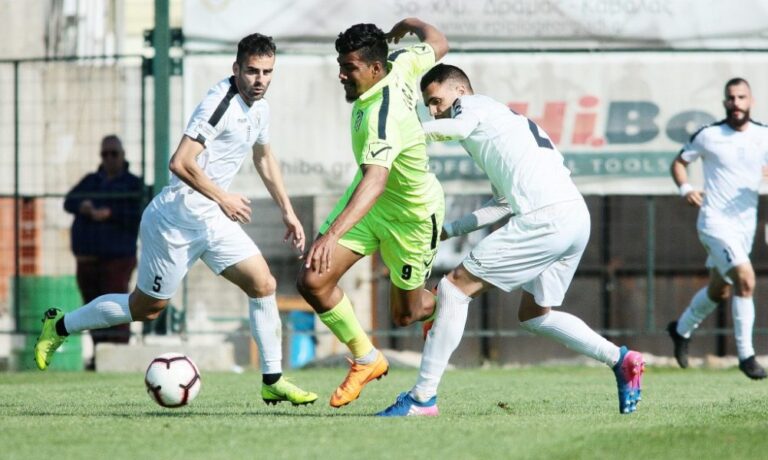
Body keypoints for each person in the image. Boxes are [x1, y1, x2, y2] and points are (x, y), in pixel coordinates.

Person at [36, 33, 318, 405]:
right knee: (145, 309)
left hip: (213, 220)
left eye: (267, 72)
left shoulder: (260, 108)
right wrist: (224, 198)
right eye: (252, 71)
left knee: (263, 284)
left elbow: (263, 157)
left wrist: (287, 210)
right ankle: (58, 326)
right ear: (236, 69)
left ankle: (272, 379)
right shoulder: (218, 105)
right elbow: (179, 162)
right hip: (175, 220)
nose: (260, 79)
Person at [377, 64, 645, 417]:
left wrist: (404, 134)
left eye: (436, 100)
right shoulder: (499, 121)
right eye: (428, 106)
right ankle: (621, 359)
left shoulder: (471, 107)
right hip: (574, 217)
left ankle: (423, 398)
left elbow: (455, 126)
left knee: (454, 290)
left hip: (546, 218)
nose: (433, 110)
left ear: (459, 91)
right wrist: (449, 230)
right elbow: (502, 204)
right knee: (535, 315)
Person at [296, 17, 448, 408]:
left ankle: (448, 299)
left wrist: (330, 235)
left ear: (375, 68)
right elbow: (438, 42)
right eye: (341, 66)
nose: (342, 75)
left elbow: (376, 180)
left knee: (406, 315)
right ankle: (367, 359)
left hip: (411, 218)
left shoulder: (382, 117)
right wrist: (408, 23)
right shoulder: (400, 62)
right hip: (371, 206)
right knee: (313, 280)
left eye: (350, 68)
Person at [667, 77, 768, 380]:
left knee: (720, 289)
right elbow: (679, 163)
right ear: (724, 102)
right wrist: (685, 188)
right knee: (746, 280)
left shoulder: (763, 135)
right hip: (714, 223)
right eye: (731, 98)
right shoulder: (709, 135)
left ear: (751, 101)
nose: (736, 103)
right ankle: (746, 356)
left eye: (741, 97)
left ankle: (681, 329)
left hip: (743, 227)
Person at [63, 135, 143, 369]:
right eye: (105, 154)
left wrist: (111, 213)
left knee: (116, 307)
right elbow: (68, 201)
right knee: (91, 309)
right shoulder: (91, 181)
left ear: (122, 155)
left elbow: (137, 214)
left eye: (113, 154)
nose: (109, 158)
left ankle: (118, 357)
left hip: (117, 258)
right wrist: (84, 207)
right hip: (87, 259)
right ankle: (99, 357)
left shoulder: (132, 184)